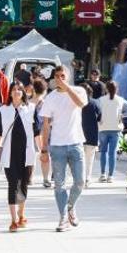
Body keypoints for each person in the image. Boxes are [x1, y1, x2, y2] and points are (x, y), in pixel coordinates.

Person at [39, 66, 87, 232]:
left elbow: (81, 104)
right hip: (57, 146)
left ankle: (71, 206)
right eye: (57, 76)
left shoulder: (79, 91)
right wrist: (44, 149)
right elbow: (45, 125)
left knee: (80, 182)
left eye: (63, 76)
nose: (60, 79)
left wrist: (67, 89)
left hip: (75, 143)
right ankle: (62, 218)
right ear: (53, 79)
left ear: (69, 77)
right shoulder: (50, 98)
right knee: (59, 185)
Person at [0, 82, 38, 232]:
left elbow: (36, 131)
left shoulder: (30, 109)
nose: (17, 92)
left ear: (24, 93)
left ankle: (21, 214)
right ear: (10, 93)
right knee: (13, 185)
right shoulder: (3, 110)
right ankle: (13, 220)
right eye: (14, 90)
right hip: (9, 154)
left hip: (27, 153)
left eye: (19, 89)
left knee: (23, 184)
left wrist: (43, 150)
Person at [97, 80, 127, 183]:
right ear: (116, 89)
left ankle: (103, 174)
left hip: (103, 128)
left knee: (103, 152)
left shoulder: (100, 100)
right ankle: (111, 176)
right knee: (112, 153)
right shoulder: (121, 100)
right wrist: (121, 115)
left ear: (106, 89)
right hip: (116, 129)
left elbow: (96, 112)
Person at [31, 78, 52, 188]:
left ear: (33, 89)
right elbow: (48, 121)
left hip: (30, 133)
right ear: (44, 91)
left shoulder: (28, 103)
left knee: (31, 156)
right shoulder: (46, 104)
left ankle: (30, 178)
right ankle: (45, 179)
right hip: (43, 132)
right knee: (44, 156)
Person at [80, 84, 101, 188]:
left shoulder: (75, 103)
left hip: (78, 135)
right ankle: (87, 178)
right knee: (89, 159)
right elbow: (100, 117)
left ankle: (80, 178)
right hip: (92, 134)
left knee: (79, 159)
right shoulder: (94, 103)